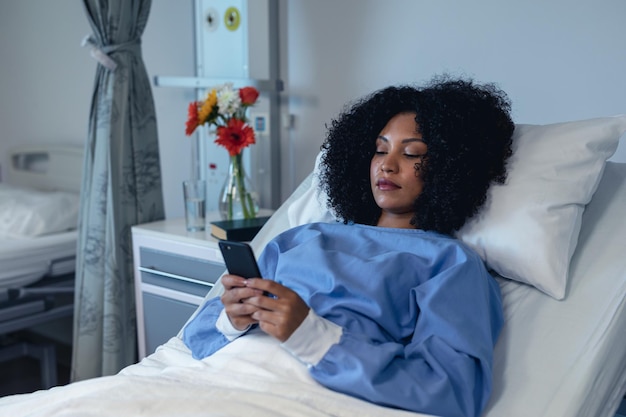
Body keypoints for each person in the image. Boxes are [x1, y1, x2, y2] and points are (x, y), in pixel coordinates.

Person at [183, 75, 515, 417]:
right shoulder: (302, 237)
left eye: (412, 152)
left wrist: (309, 334)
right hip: (221, 383)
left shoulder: (449, 263)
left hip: (309, 398)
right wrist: (232, 317)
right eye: (380, 149)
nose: (387, 164)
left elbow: (452, 389)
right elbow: (197, 336)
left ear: (450, 166)